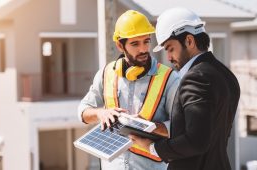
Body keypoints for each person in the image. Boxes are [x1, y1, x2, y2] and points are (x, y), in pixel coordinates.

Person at [129, 7, 240, 170]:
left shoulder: (196, 77)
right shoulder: (227, 75)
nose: (168, 57)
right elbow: (211, 133)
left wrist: (152, 147)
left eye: (170, 48)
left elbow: (196, 140)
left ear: (189, 41)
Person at [77, 10, 179, 170]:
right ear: (119, 45)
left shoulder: (169, 78)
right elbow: (83, 112)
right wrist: (101, 113)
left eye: (146, 41)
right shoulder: (106, 73)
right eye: (135, 44)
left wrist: (149, 127)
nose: (143, 49)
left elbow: (182, 125)